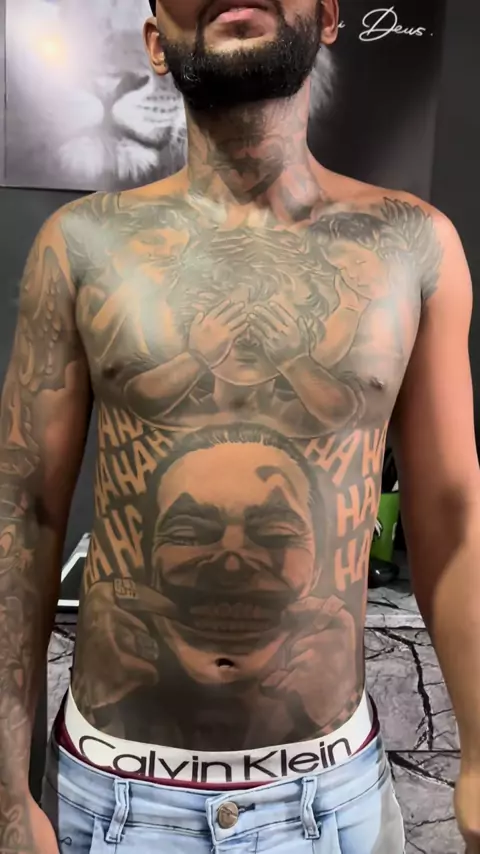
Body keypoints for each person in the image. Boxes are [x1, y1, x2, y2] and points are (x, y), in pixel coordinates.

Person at [0, 0, 479, 852]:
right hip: (115, 800)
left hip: (331, 798)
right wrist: (6, 796)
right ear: (156, 42)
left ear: (327, 17)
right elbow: (22, 516)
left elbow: (451, 511)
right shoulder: (82, 247)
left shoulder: (413, 245)